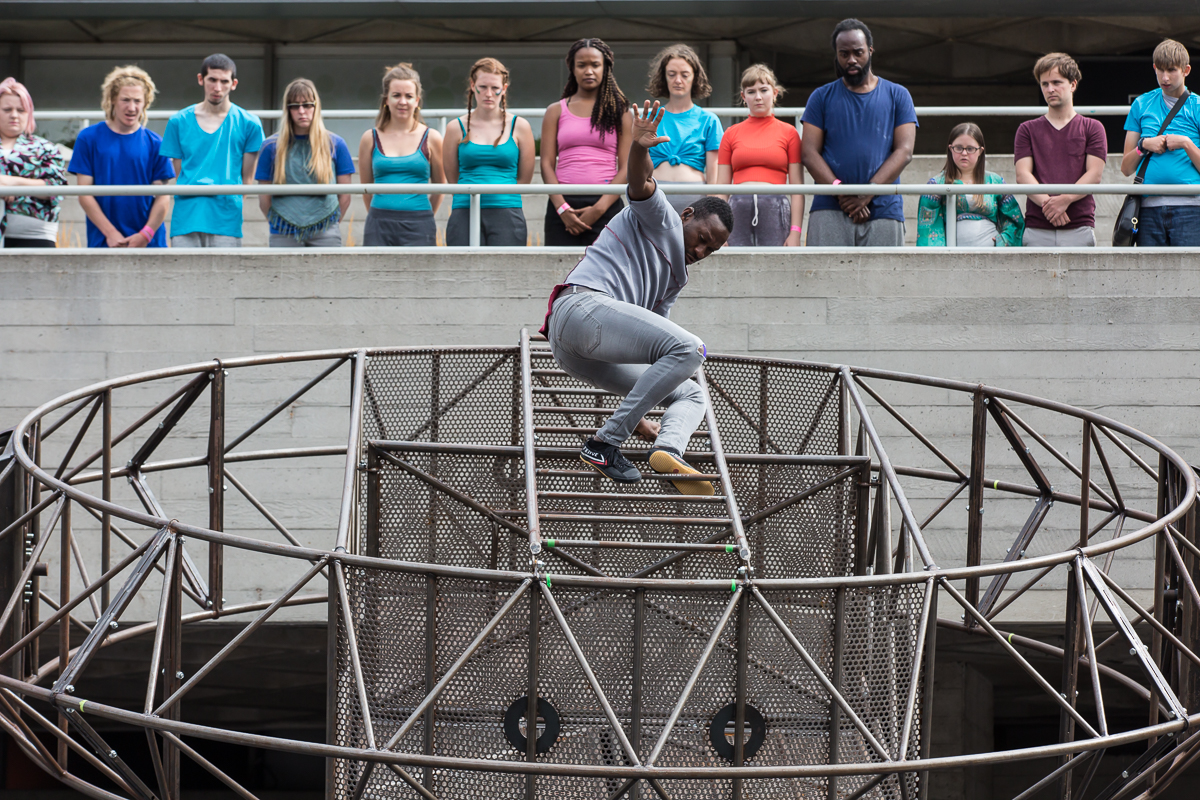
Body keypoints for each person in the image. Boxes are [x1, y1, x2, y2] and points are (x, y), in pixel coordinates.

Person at [540, 100, 734, 493]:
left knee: (691, 391)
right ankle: (605, 442)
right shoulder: (660, 215)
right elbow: (639, 183)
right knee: (692, 349)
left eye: (709, 252)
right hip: (580, 307)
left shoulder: (676, 279)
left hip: (578, 352)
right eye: (701, 239)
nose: (699, 252)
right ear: (687, 215)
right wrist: (640, 146)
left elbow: (649, 348)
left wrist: (642, 413)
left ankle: (669, 448)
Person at [802, 19, 917, 247]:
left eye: (858, 52)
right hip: (829, 208)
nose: (851, 59)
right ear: (836, 55)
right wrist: (842, 193)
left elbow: (904, 151)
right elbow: (808, 153)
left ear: (871, 50)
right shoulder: (820, 97)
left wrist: (868, 192)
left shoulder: (899, 95)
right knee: (826, 281)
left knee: (885, 282)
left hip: (884, 209)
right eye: (844, 54)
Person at [161, 54, 264, 247]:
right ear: (201, 79)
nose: (217, 88)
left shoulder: (249, 123)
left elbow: (246, 181)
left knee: (227, 277)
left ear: (233, 84)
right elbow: (179, 173)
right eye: (212, 80)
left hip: (226, 217)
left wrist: (231, 209)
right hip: (187, 216)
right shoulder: (178, 121)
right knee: (185, 275)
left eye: (224, 81)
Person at [68, 65, 174, 248]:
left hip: (149, 244)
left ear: (145, 102)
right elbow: (84, 193)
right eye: (125, 100)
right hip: (104, 241)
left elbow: (162, 198)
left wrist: (145, 235)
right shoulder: (88, 138)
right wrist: (110, 233)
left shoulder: (156, 143)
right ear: (112, 100)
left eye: (137, 101)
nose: (131, 107)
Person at [540, 38, 632, 246]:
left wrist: (599, 209)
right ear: (572, 68)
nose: (588, 71)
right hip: (562, 206)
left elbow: (626, 167)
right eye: (582, 65)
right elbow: (546, 164)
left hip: (606, 204)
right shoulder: (555, 110)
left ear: (606, 68)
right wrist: (562, 208)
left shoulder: (621, 112)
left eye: (595, 65)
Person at [1014, 53, 1107, 247]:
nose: (1050, 89)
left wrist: (1064, 200)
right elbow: (1023, 175)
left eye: (1057, 82)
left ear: (1073, 84)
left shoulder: (1093, 127)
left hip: (1079, 225)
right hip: (1037, 226)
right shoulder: (1027, 129)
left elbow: (1094, 174)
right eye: (1045, 84)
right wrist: (1051, 206)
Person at [442, 58, 534, 246]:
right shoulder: (455, 127)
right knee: (462, 272)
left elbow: (524, 178)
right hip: (464, 210)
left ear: (505, 88)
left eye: (495, 88)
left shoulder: (520, 126)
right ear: (472, 86)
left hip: (507, 210)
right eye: (482, 87)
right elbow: (453, 178)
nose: (488, 94)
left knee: (507, 272)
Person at [256, 78, 354, 247]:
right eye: (295, 105)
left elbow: (345, 195)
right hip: (283, 230)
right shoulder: (270, 147)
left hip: (325, 229)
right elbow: (263, 197)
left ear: (316, 107)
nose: (301, 111)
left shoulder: (336, 144)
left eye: (307, 105)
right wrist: (278, 223)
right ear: (288, 109)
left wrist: (332, 223)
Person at [1122, 39, 1200, 247]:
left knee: (1190, 278)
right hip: (1147, 209)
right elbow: (1125, 168)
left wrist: (1186, 143)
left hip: (1191, 208)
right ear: (1154, 68)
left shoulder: (1198, 106)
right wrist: (1143, 145)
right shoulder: (1141, 103)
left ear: (1186, 70)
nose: (1165, 78)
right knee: (1150, 277)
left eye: (1172, 70)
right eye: (1160, 70)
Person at [716, 64, 803, 246]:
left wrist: (795, 232)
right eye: (751, 91)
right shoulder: (731, 133)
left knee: (776, 267)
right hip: (737, 207)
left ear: (775, 93)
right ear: (743, 96)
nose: (758, 97)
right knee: (737, 267)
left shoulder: (789, 132)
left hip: (776, 206)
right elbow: (721, 188)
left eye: (763, 90)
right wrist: (718, 229)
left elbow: (797, 189)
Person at [359, 63, 444, 247]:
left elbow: (440, 188)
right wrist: (381, 215)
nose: (402, 101)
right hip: (378, 224)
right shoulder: (369, 138)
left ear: (417, 100)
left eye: (408, 96)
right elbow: (366, 189)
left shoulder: (432, 137)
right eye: (396, 95)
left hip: (420, 224)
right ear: (386, 99)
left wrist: (421, 216)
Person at [645, 44, 723, 215]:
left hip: (695, 201)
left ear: (695, 78)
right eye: (671, 74)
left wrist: (711, 213)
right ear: (663, 77)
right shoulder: (650, 117)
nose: (678, 80)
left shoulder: (709, 120)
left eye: (684, 75)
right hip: (653, 199)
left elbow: (714, 174)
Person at [917, 123, 1023, 247]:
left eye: (970, 149)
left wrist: (1002, 242)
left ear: (980, 151)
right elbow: (928, 228)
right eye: (959, 148)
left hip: (992, 259)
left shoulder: (995, 182)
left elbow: (1015, 221)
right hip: (952, 261)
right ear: (951, 149)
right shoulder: (935, 186)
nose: (964, 153)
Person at [0, 78, 67, 248]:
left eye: (21, 110)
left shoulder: (45, 148)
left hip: (36, 236)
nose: (14, 115)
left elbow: (57, 188)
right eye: (7, 109)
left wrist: (12, 182)